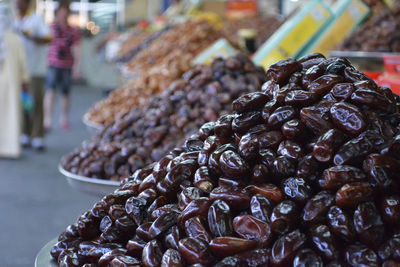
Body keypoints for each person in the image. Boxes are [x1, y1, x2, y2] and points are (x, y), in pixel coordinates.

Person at [14, 0, 51, 151]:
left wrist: (31, 36)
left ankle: (38, 136)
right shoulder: (13, 21)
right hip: (19, 70)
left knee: (35, 102)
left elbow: (49, 38)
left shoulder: (36, 19)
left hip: (35, 69)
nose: (17, 3)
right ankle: (25, 133)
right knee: (22, 103)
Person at [44, 1, 80, 131]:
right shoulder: (51, 28)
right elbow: (45, 45)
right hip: (53, 64)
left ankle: (64, 118)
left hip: (67, 65)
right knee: (50, 91)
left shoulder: (73, 31)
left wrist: (77, 66)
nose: (63, 15)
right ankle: (47, 119)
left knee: (65, 93)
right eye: (61, 12)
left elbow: (77, 48)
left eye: (65, 12)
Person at [0, 4, 30, 158]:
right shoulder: (15, 39)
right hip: (12, 83)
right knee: (11, 114)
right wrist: (25, 82)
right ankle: (10, 147)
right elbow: (22, 64)